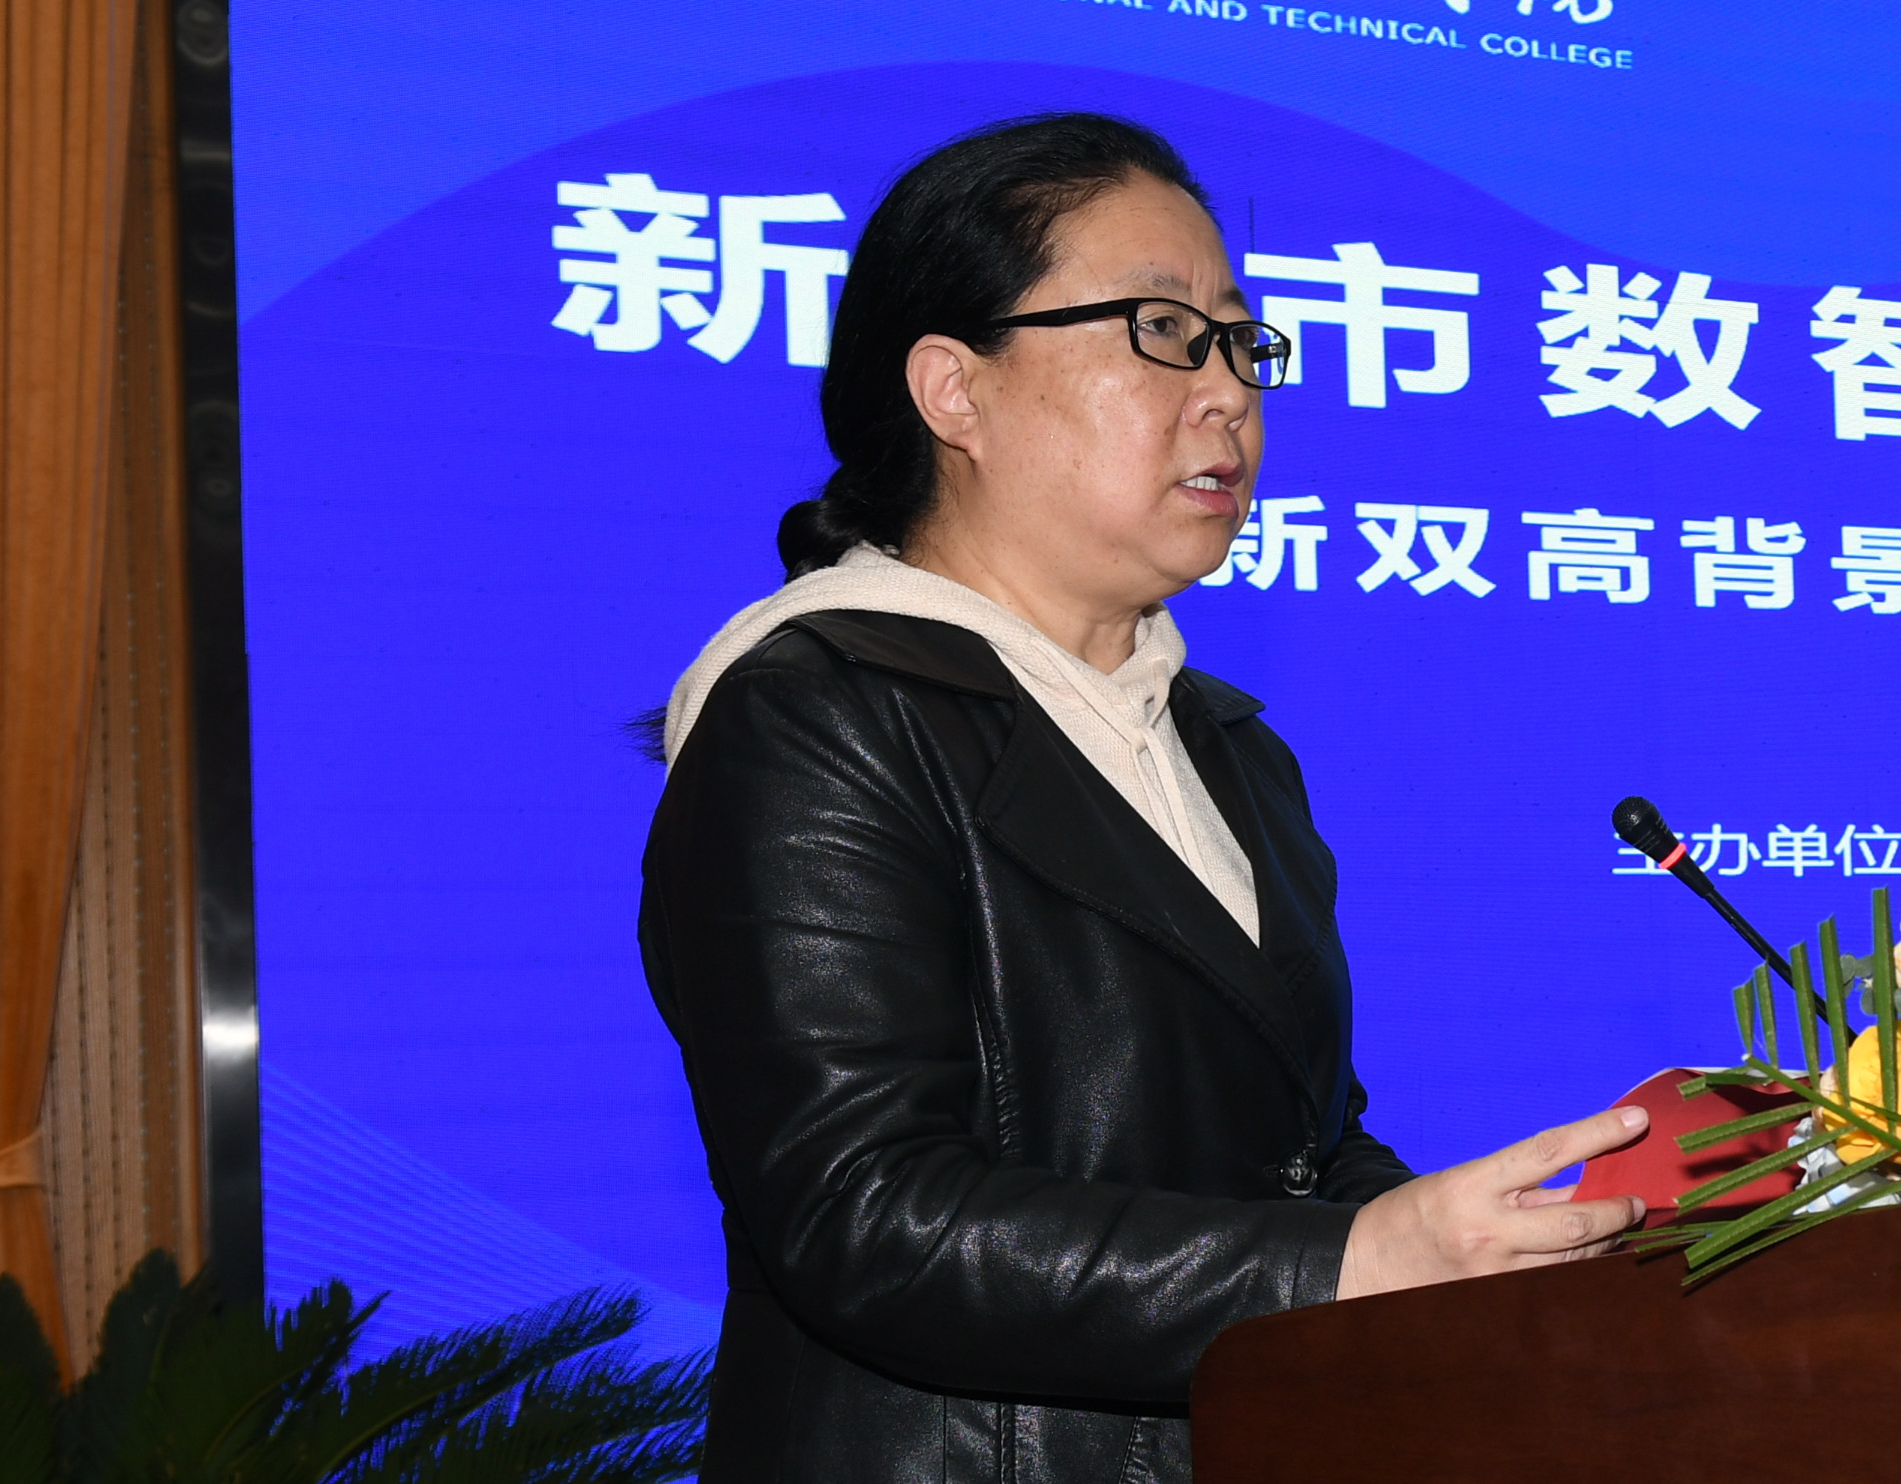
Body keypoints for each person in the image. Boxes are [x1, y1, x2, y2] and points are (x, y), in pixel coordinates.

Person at [640, 112, 1648, 1482]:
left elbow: (1296, 1158)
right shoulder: (818, 709)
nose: (1227, 393)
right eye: (1163, 331)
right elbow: (863, 1216)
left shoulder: (1227, 747)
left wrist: (1501, 1249)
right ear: (954, 390)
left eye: (1239, 341)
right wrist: (1354, 1260)